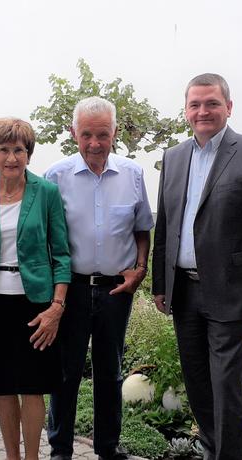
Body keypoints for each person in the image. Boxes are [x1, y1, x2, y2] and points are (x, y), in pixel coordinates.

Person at [152, 73, 242, 460]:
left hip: (231, 292)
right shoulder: (173, 157)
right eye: (195, 104)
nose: (202, 111)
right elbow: (167, 225)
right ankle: (212, 450)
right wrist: (162, 284)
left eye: (211, 103)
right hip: (185, 291)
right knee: (196, 382)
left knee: (226, 385)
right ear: (186, 110)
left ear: (229, 106)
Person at [45, 96, 154, 460]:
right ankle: (61, 449)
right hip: (71, 289)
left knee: (110, 373)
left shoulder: (133, 175)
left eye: (103, 134)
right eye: (86, 134)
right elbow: (45, 235)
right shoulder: (56, 176)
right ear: (73, 132)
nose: (94, 143)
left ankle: (108, 447)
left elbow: (142, 229)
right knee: (66, 373)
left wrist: (140, 269)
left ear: (115, 133)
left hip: (115, 291)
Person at [0, 117, 71, 460]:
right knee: (3, 388)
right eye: (3, 150)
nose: (11, 157)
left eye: (18, 149)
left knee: (33, 387)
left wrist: (56, 307)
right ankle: (12, 456)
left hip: (35, 304)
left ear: (28, 153)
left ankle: (33, 457)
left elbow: (62, 254)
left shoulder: (46, 192)